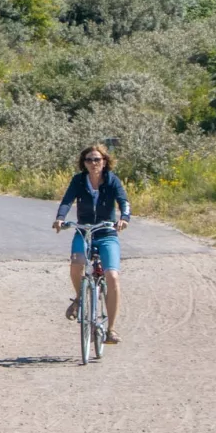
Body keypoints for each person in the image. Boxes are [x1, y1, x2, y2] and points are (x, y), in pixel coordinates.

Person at [52, 142, 131, 343]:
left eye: (97, 159)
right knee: (76, 264)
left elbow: (124, 201)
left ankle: (111, 330)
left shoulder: (112, 181)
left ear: (104, 162)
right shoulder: (78, 181)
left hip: (106, 233)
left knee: (112, 276)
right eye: (89, 160)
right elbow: (67, 201)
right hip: (84, 231)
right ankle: (80, 299)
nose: (93, 163)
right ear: (84, 163)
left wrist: (124, 219)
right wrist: (61, 218)